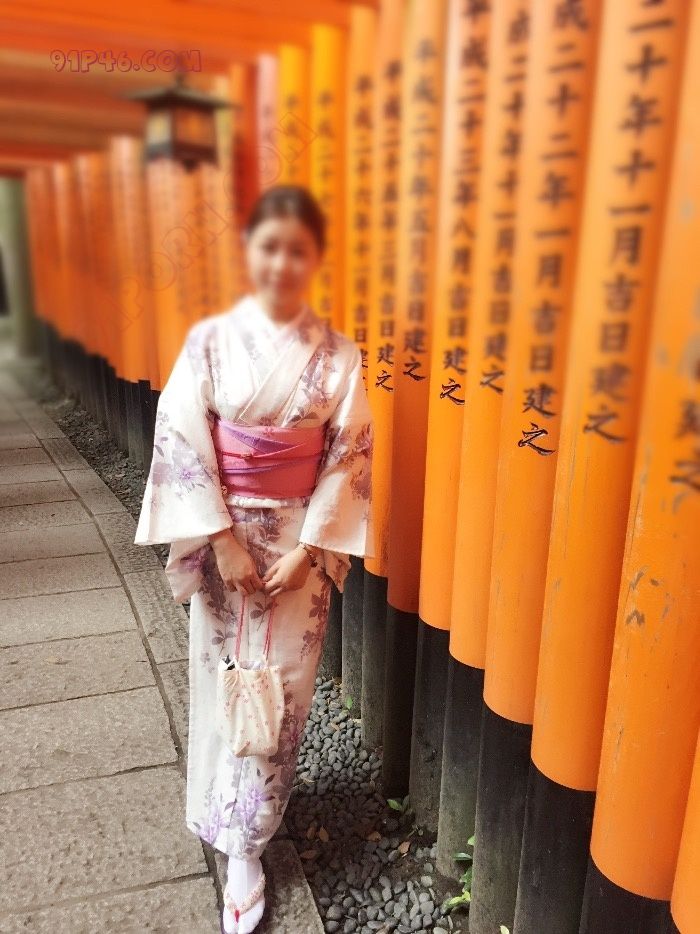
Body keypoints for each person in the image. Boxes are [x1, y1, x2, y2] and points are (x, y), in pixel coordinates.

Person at [133, 184, 374, 933]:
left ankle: (250, 839)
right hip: (226, 541)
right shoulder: (208, 342)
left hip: (300, 551)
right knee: (222, 675)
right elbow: (180, 434)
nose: (281, 262)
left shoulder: (339, 357)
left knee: (286, 691)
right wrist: (222, 539)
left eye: (298, 250)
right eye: (269, 246)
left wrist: (310, 549)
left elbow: (349, 456)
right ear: (248, 251)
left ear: (316, 258)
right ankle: (222, 813)